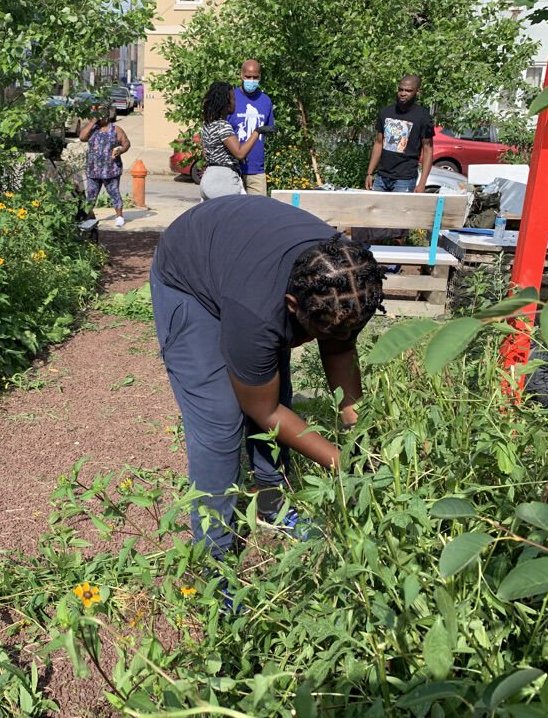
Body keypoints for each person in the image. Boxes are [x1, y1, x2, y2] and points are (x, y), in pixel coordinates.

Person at [150, 195, 384, 557]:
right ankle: (216, 555)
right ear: (291, 304)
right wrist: (343, 463)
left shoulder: (349, 280)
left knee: (273, 382)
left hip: (243, 260)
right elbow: (266, 411)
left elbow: (340, 348)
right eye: (311, 332)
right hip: (190, 275)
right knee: (220, 418)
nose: (309, 342)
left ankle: (271, 505)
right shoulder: (258, 311)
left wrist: (361, 438)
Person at [357, 74, 434, 244]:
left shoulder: (422, 117)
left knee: (399, 226)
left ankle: (396, 265)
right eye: (401, 89)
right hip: (382, 176)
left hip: (404, 178)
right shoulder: (386, 112)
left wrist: (422, 184)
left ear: (417, 92)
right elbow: (378, 143)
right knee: (374, 222)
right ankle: (373, 261)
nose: (403, 93)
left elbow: (428, 150)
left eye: (408, 90)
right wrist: (370, 173)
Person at [199, 81, 275, 201]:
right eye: (233, 99)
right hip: (223, 181)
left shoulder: (207, 125)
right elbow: (239, 153)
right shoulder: (223, 126)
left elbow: (205, 153)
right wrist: (257, 132)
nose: (235, 102)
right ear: (226, 103)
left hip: (208, 180)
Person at [227, 60, 275, 195]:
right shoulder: (231, 99)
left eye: (255, 77)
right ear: (241, 75)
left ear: (260, 77)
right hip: (233, 168)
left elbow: (269, 127)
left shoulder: (265, 101)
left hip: (256, 169)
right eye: (248, 77)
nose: (251, 80)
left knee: (258, 213)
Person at [79, 105, 130, 227]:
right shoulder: (92, 129)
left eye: (102, 114)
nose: (100, 117)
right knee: (91, 195)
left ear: (107, 115)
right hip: (93, 170)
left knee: (114, 193)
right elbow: (82, 137)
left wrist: (121, 150)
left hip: (111, 169)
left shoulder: (115, 129)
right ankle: (89, 217)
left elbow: (126, 143)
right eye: (97, 114)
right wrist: (92, 122)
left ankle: (119, 217)